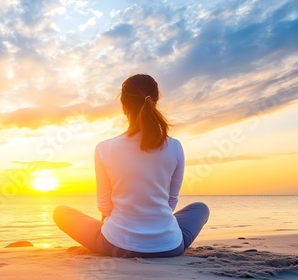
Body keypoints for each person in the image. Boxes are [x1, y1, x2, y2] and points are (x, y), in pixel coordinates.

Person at [53, 74, 209, 258]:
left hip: (115, 245)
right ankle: (161, 236)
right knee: (200, 208)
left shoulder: (104, 148)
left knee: (60, 212)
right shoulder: (175, 147)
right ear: (155, 101)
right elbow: (170, 203)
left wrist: (120, 227)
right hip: (169, 247)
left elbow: (105, 206)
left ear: (123, 105)